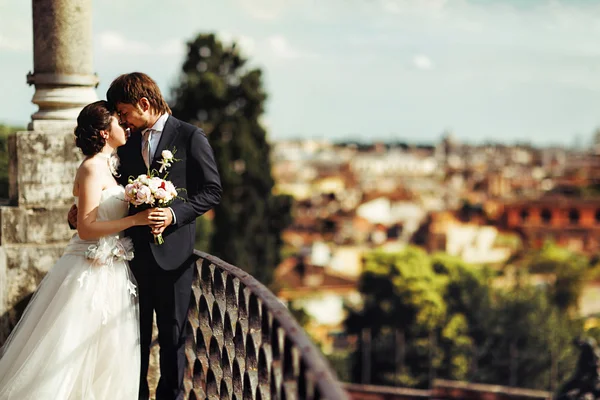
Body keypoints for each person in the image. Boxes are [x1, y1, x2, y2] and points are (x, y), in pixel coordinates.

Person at [69, 72, 222, 400]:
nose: (121, 121)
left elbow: (211, 191)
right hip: (128, 259)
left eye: (123, 112)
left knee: (172, 341)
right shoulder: (126, 143)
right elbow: (113, 188)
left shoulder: (191, 136)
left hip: (174, 259)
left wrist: (173, 213)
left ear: (143, 103)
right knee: (128, 341)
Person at [0, 100, 165, 399]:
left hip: (111, 267)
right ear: (104, 132)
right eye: (118, 120)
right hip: (89, 270)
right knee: (73, 352)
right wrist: (136, 219)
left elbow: (92, 213)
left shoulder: (108, 165)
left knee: (108, 353)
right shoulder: (91, 168)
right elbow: (87, 228)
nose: (125, 125)